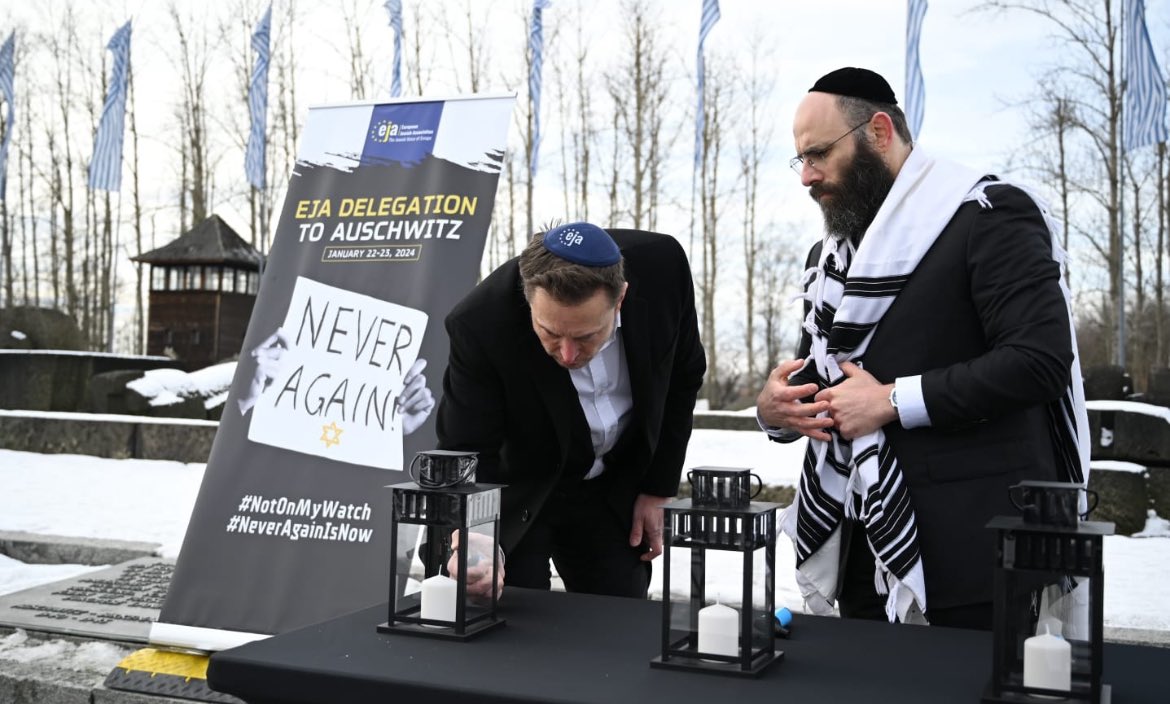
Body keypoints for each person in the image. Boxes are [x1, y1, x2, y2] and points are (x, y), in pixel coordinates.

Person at [756, 67, 1089, 630]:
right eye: (801, 160)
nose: (806, 176)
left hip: (976, 550)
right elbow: (824, 381)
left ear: (879, 132)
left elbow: (1039, 362)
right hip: (862, 542)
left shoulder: (989, 216)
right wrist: (776, 410)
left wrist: (892, 401)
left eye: (819, 154)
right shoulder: (829, 256)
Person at [436, 222, 705, 599]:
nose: (567, 354)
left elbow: (683, 378)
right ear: (528, 299)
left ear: (621, 298)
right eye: (549, 332)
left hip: (610, 488)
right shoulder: (478, 323)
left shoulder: (664, 269)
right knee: (514, 618)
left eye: (586, 336)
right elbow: (466, 449)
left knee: (620, 615)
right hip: (518, 490)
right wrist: (477, 538)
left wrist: (657, 488)